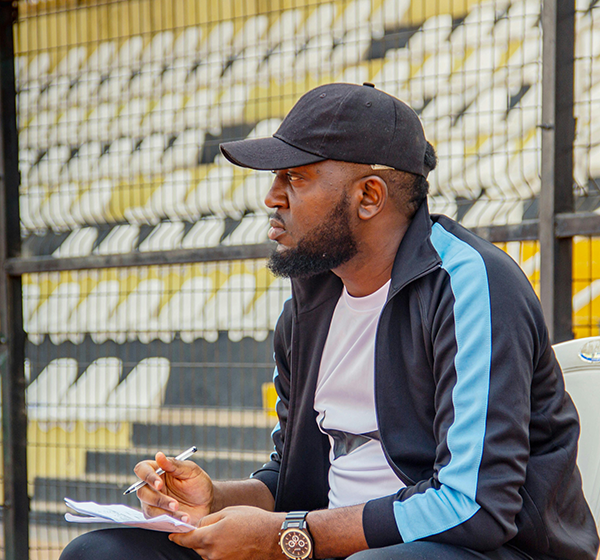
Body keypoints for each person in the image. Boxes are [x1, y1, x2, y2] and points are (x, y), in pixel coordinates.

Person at [60, 83, 599, 560]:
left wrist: (282, 538)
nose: (272, 198)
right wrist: (217, 500)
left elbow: (473, 506)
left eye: (295, 178)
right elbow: (295, 478)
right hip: (326, 542)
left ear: (369, 196)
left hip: (486, 550)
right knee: (103, 551)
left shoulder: (470, 285)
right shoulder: (309, 304)